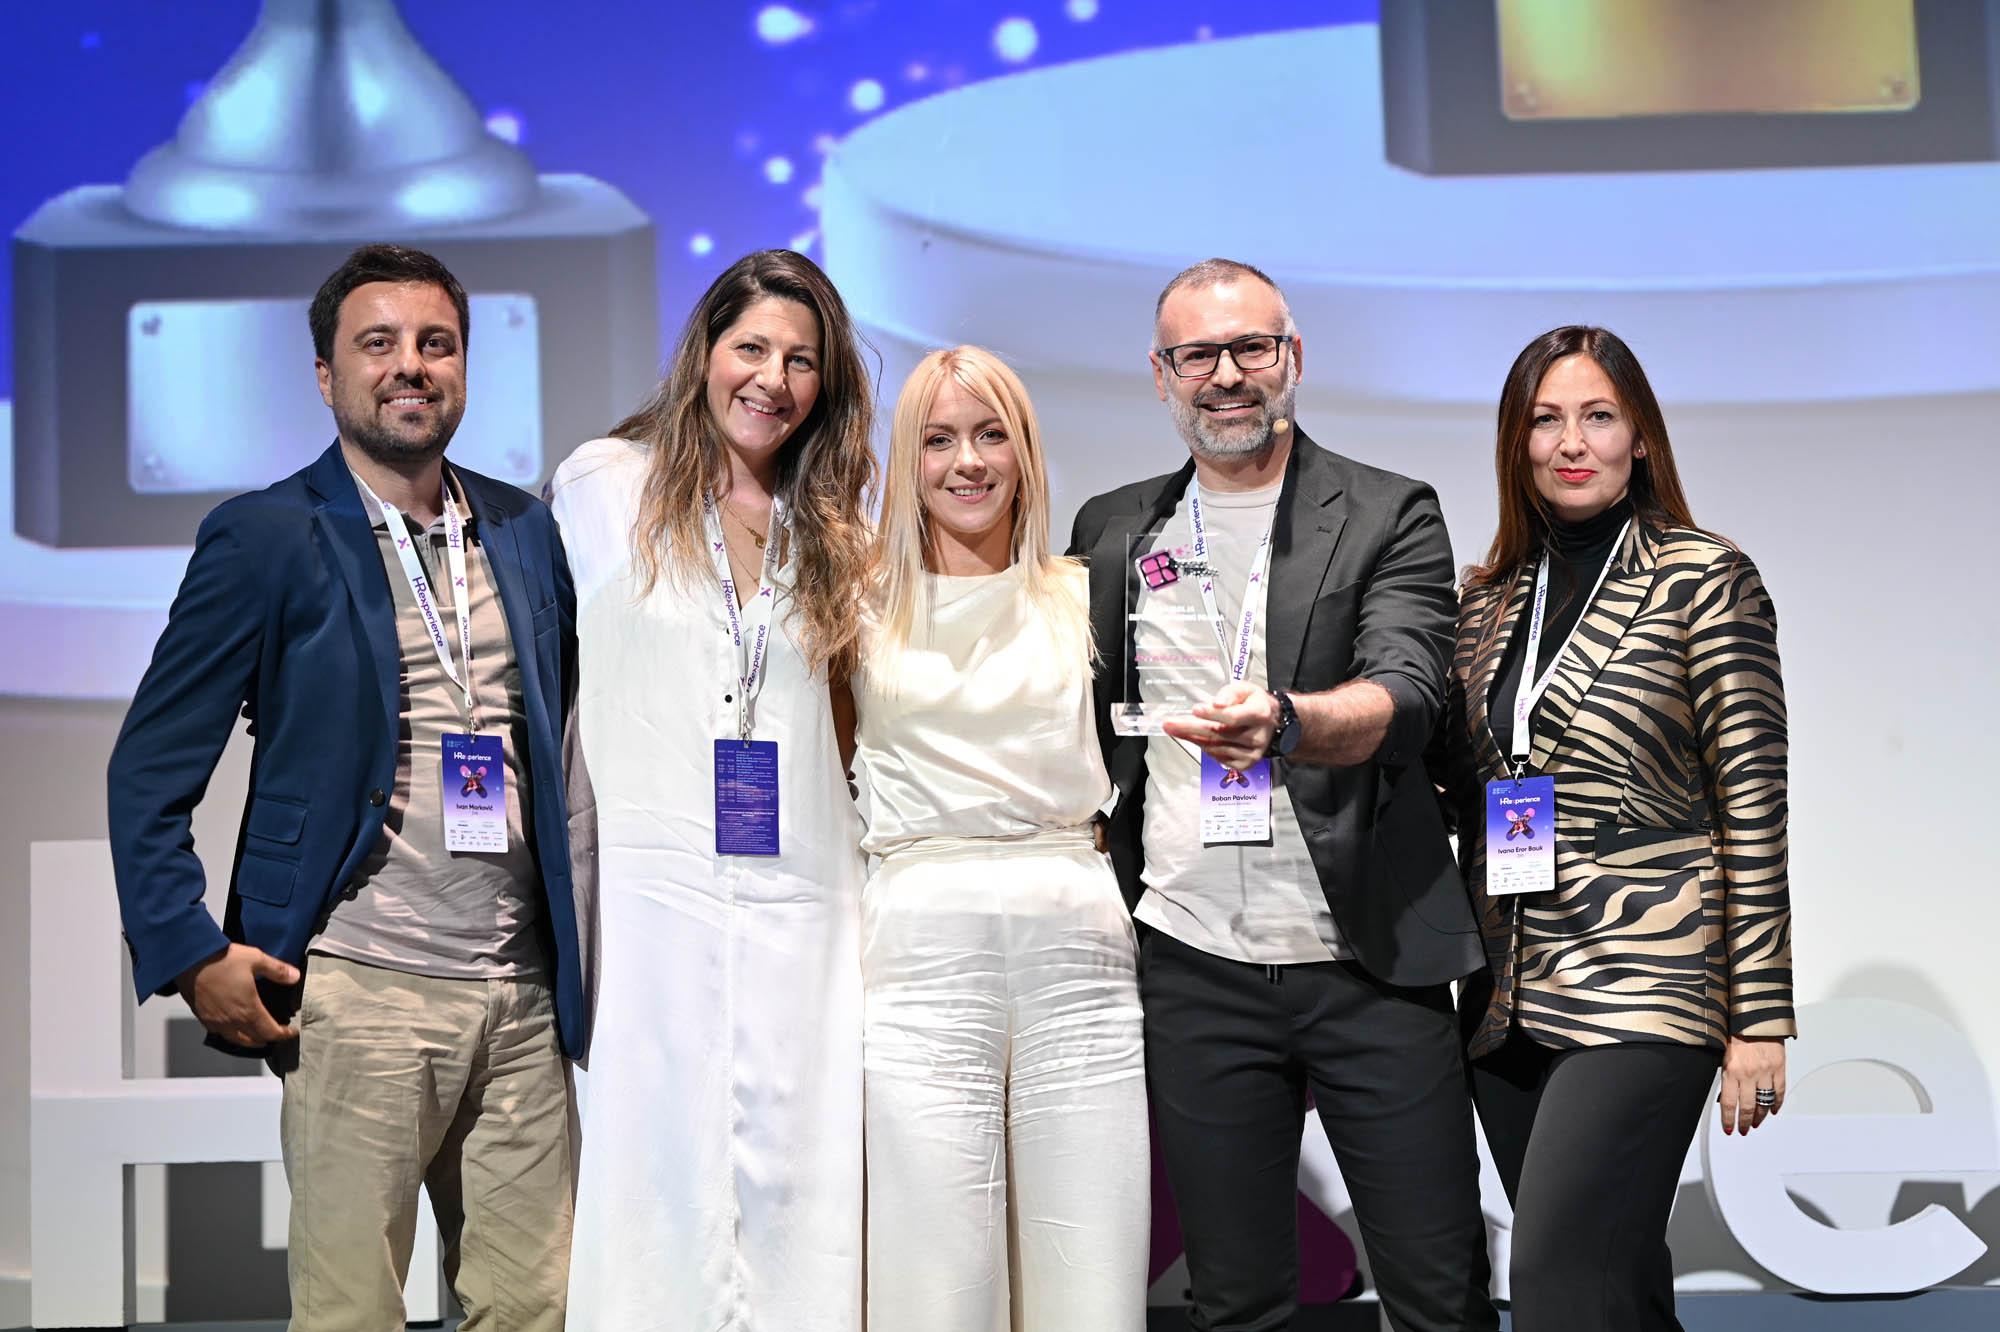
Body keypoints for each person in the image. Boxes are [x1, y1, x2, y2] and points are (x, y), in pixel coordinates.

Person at [106, 243, 582, 1328]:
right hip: (359, 989)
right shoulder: (265, 536)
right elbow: (150, 766)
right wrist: (187, 950)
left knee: (534, 1309)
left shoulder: (524, 529)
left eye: (435, 343)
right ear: (327, 375)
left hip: (520, 993)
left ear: (463, 367)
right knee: (350, 1313)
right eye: (379, 343)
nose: (410, 364)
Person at [1069, 258, 1496, 1332]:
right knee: (1237, 1302)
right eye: (1197, 356)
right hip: (1192, 962)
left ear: (1291, 357)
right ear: (1160, 375)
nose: (1226, 375)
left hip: (1368, 959)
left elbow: (1408, 693)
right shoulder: (1113, 530)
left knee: (1438, 1295)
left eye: (1250, 348)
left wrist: (1288, 723)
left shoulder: (1388, 511)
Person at [1433, 325, 1794, 1332]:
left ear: (1639, 434)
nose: (1570, 441)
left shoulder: (1703, 577)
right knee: (1615, 1288)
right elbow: (1457, 790)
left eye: (1597, 415)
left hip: (1648, 979)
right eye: (1544, 419)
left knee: (1557, 1284)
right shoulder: (1482, 602)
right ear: (1515, 442)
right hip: (1506, 995)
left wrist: (1758, 1014)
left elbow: (1753, 801)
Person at [548, 249, 877, 1331]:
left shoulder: (833, 528)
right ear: (703, 352)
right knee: (655, 1170)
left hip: (806, 889)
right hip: (656, 891)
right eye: (752, 348)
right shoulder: (605, 486)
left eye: (800, 361)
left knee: (801, 1172)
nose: (772, 380)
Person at [851, 346, 1149, 1330]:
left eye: (991, 435)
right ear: (908, 458)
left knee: (1090, 1272)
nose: (967, 462)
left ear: (1025, 451)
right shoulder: (855, 604)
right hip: (918, 948)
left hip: (1076, 944)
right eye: (939, 440)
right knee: (934, 1280)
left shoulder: (1086, 593)